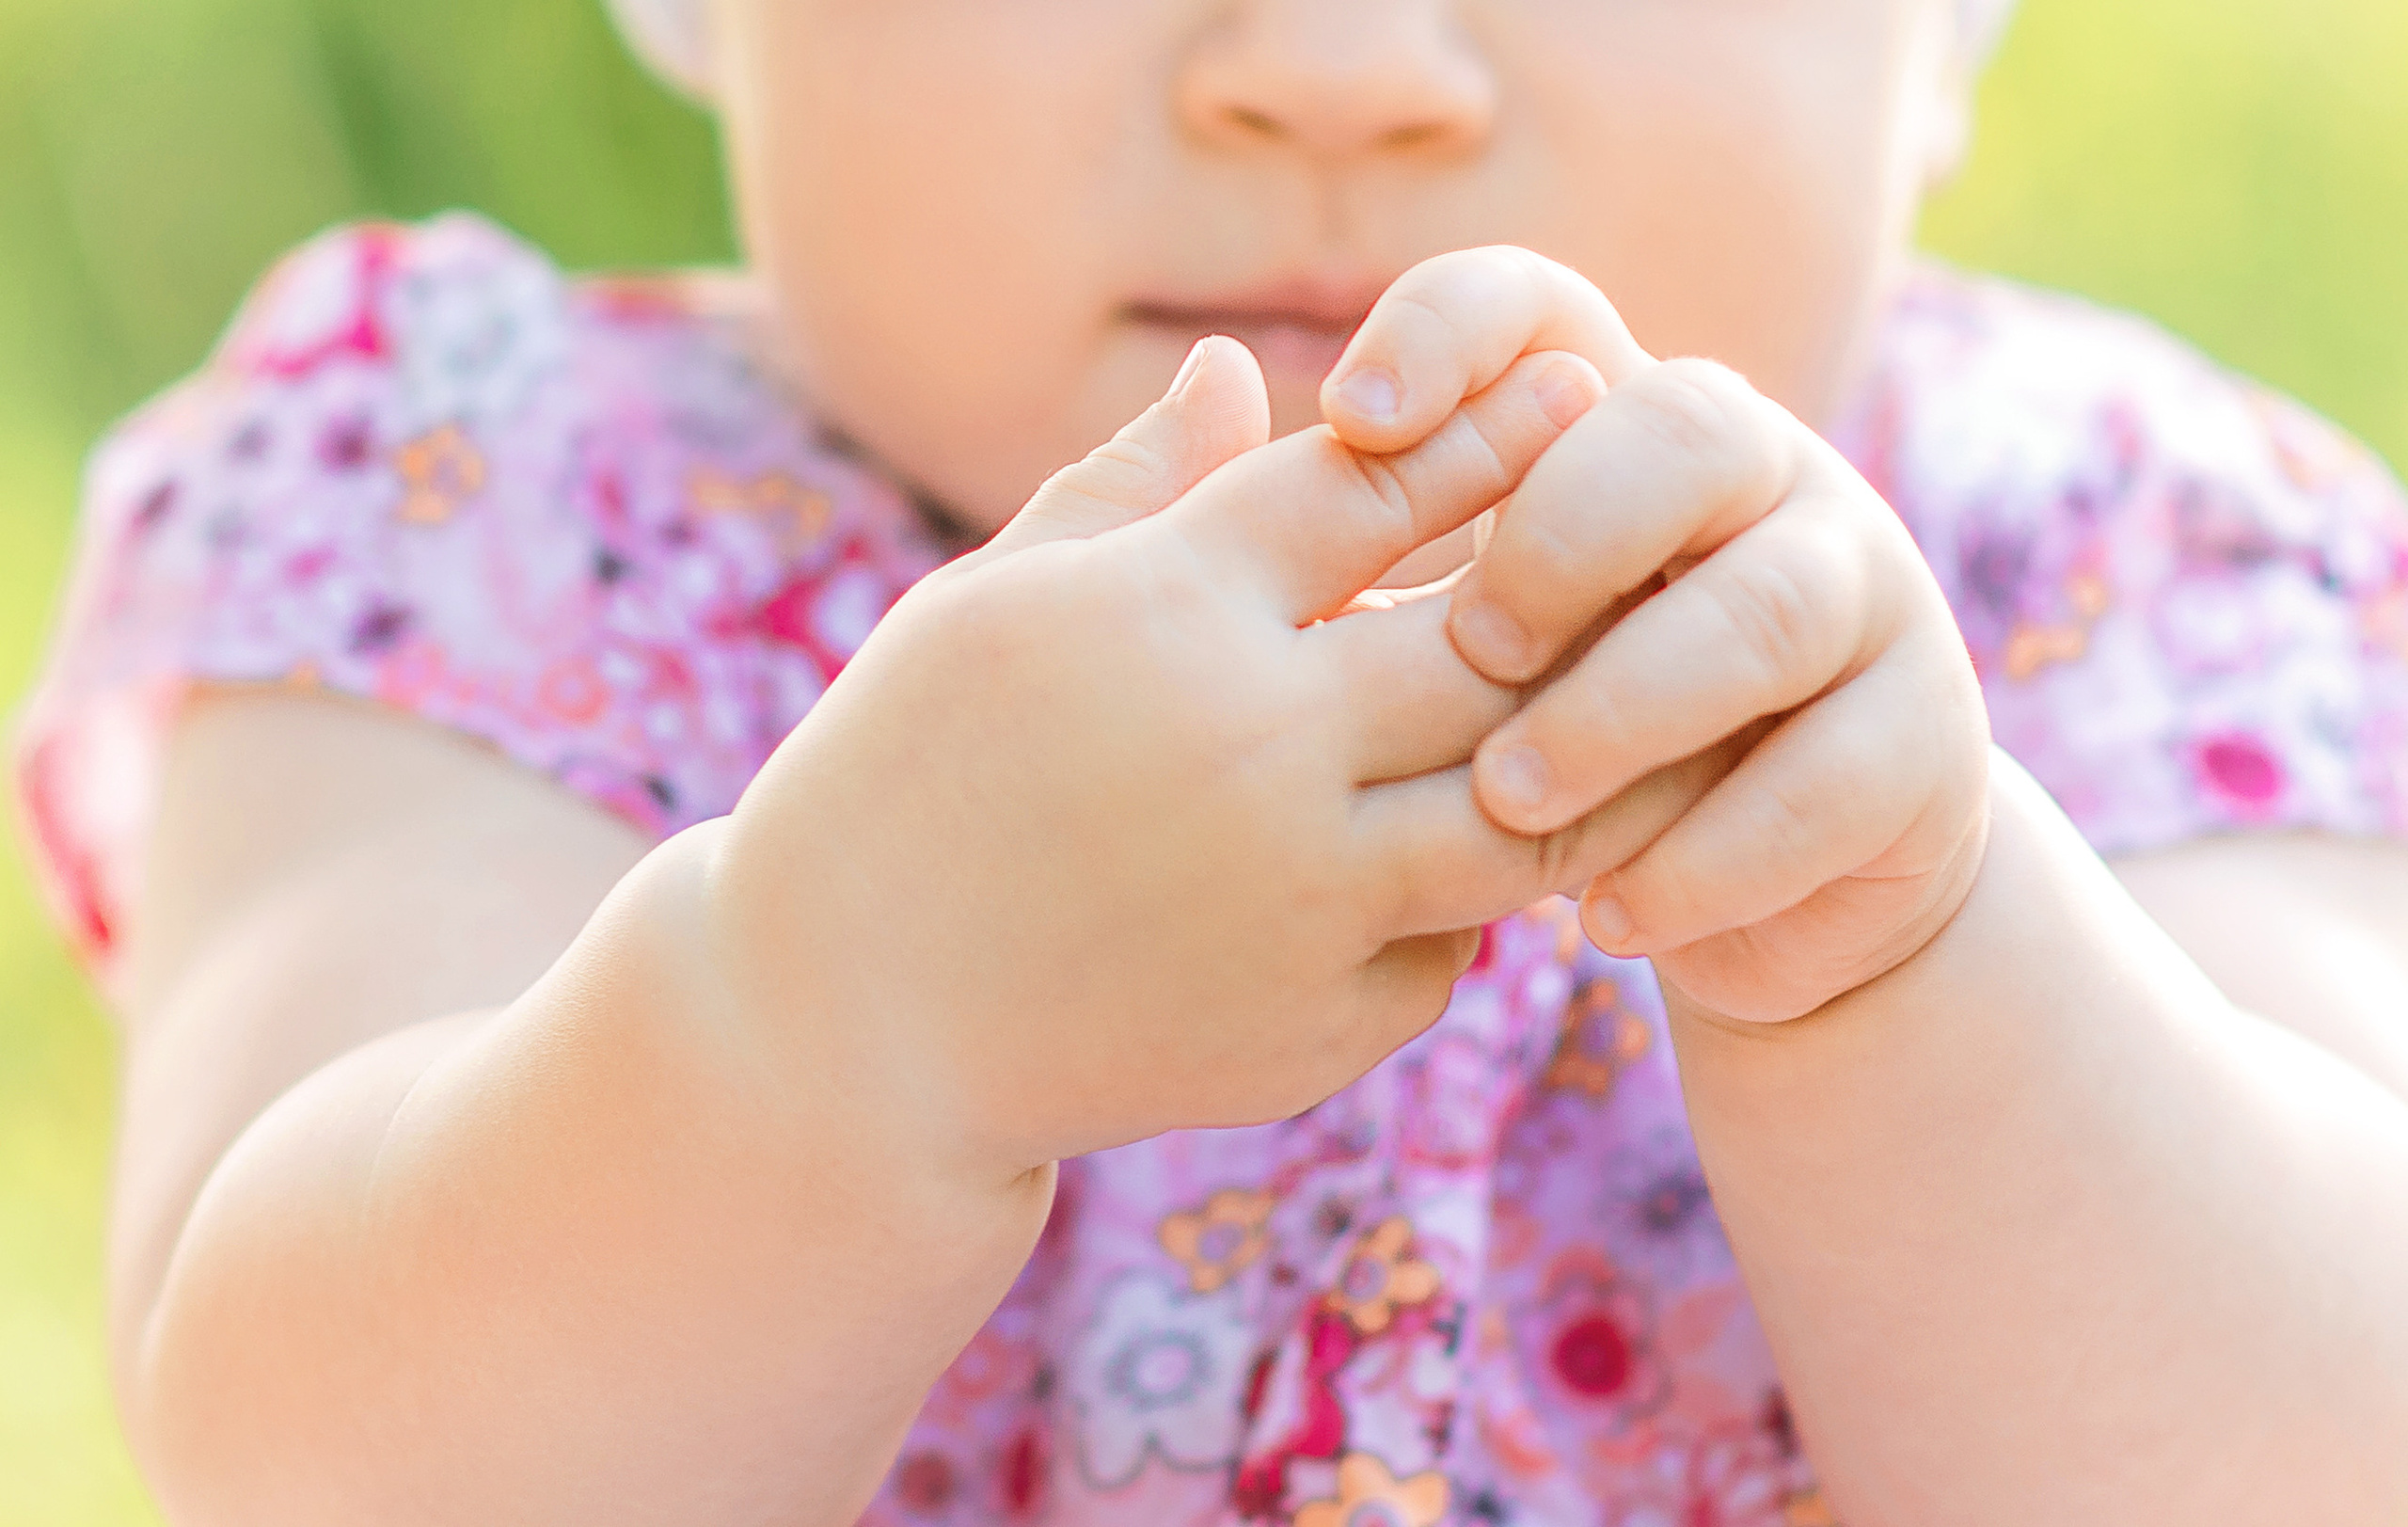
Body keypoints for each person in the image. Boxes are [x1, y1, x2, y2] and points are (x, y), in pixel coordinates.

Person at [14, 0, 2408, 1520]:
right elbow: (317, 1462)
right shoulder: (483, 508)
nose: (1336, 63)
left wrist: (1912, 944)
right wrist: (824, 1007)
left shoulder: (2118, 566)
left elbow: (2317, 1453)